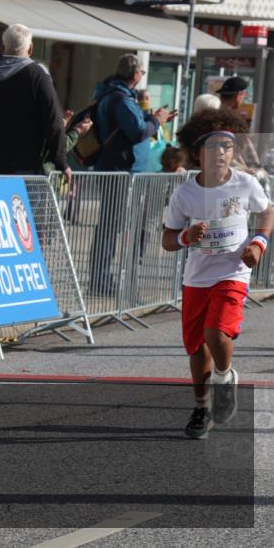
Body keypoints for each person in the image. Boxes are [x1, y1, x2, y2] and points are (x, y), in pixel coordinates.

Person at [162, 107, 272, 438]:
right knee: (197, 347)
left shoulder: (245, 184)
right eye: (213, 146)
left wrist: (259, 243)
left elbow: (267, 211)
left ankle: (224, 377)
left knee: (216, 333)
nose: (221, 152)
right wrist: (186, 237)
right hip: (197, 276)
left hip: (233, 272)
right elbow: (168, 239)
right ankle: (202, 408)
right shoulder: (184, 194)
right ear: (198, 153)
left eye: (227, 146)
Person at [88, 55, 175, 295]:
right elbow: (137, 132)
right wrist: (156, 121)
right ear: (136, 74)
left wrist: (153, 119)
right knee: (110, 226)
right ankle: (101, 280)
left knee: (111, 225)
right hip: (120, 170)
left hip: (120, 169)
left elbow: (134, 126)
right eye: (142, 73)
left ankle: (102, 278)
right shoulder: (120, 98)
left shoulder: (117, 95)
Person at [0, 24, 69, 177]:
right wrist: (61, 162)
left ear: (2, 47)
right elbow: (54, 121)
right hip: (22, 167)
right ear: (30, 48)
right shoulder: (37, 76)